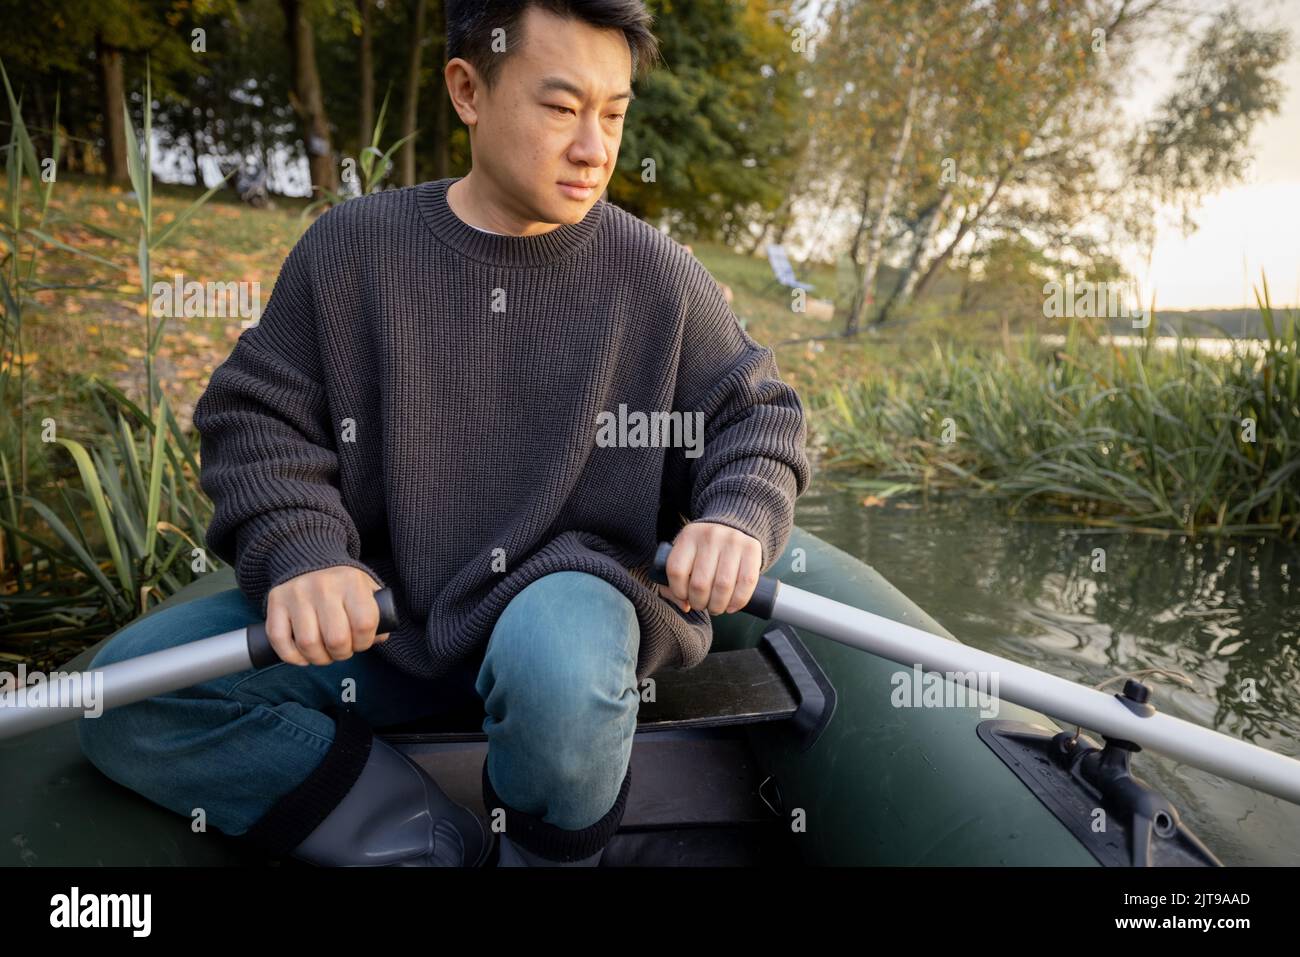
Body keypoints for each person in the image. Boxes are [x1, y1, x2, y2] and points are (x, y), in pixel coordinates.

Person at [77, 0, 810, 868]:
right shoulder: (351, 250)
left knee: (556, 660)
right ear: (468, 89)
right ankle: (426, 843)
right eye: (560, 106)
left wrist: (738, 514)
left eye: (614, 114)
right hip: (384, 622)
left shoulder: (656, 275)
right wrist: (305, 552)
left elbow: (757, 417)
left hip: (568, 612)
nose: (593, 148)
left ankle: (545, 858)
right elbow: (256, 422)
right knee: (119, 696)